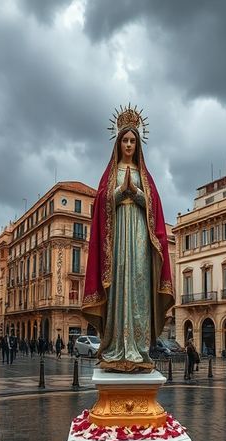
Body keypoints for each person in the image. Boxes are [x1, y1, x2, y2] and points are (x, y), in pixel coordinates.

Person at [82, 106, 174, 372]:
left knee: (138, 284)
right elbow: (100, 203)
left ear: (138, 144)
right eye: (125, 140)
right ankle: (114, 347)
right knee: (119, 281)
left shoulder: (145, 177)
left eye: (133, 140)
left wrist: (138, 195)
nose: (130, 144)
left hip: (139, 240)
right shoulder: (110, 174)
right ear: (118, 143)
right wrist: (119, 194)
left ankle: (139, 348)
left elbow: (155, 207)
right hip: (118, 241)